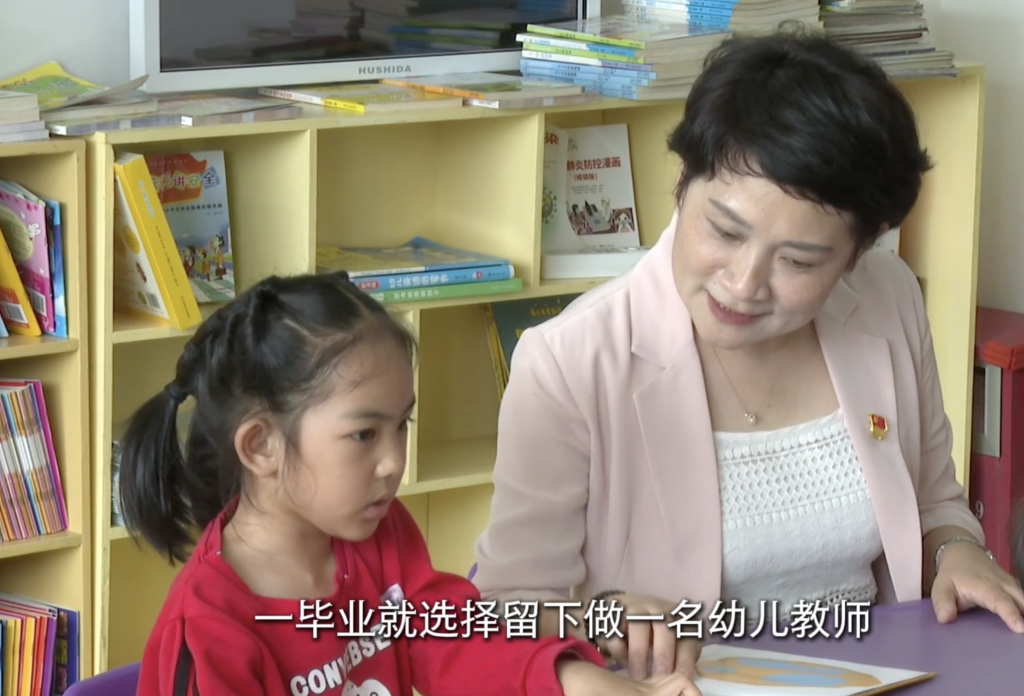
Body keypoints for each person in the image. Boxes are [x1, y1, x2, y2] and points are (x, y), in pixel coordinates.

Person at [472, 25, 1024, 684]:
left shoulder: (888, 298)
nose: (743, 284)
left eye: (798, 261)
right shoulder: (570, 362)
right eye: (724, 231)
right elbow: (507, 612)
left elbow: (933, 502)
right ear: (682, 179)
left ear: (860, 251)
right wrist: (603, 619)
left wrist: (958, 552)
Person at [117, 272, 701, 696]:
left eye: (402, 426)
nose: (393, 462)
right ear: (261, 446)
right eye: (364, 435)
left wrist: (577, 682)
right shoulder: (208, 632)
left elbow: (460, 644)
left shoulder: (379, 534)